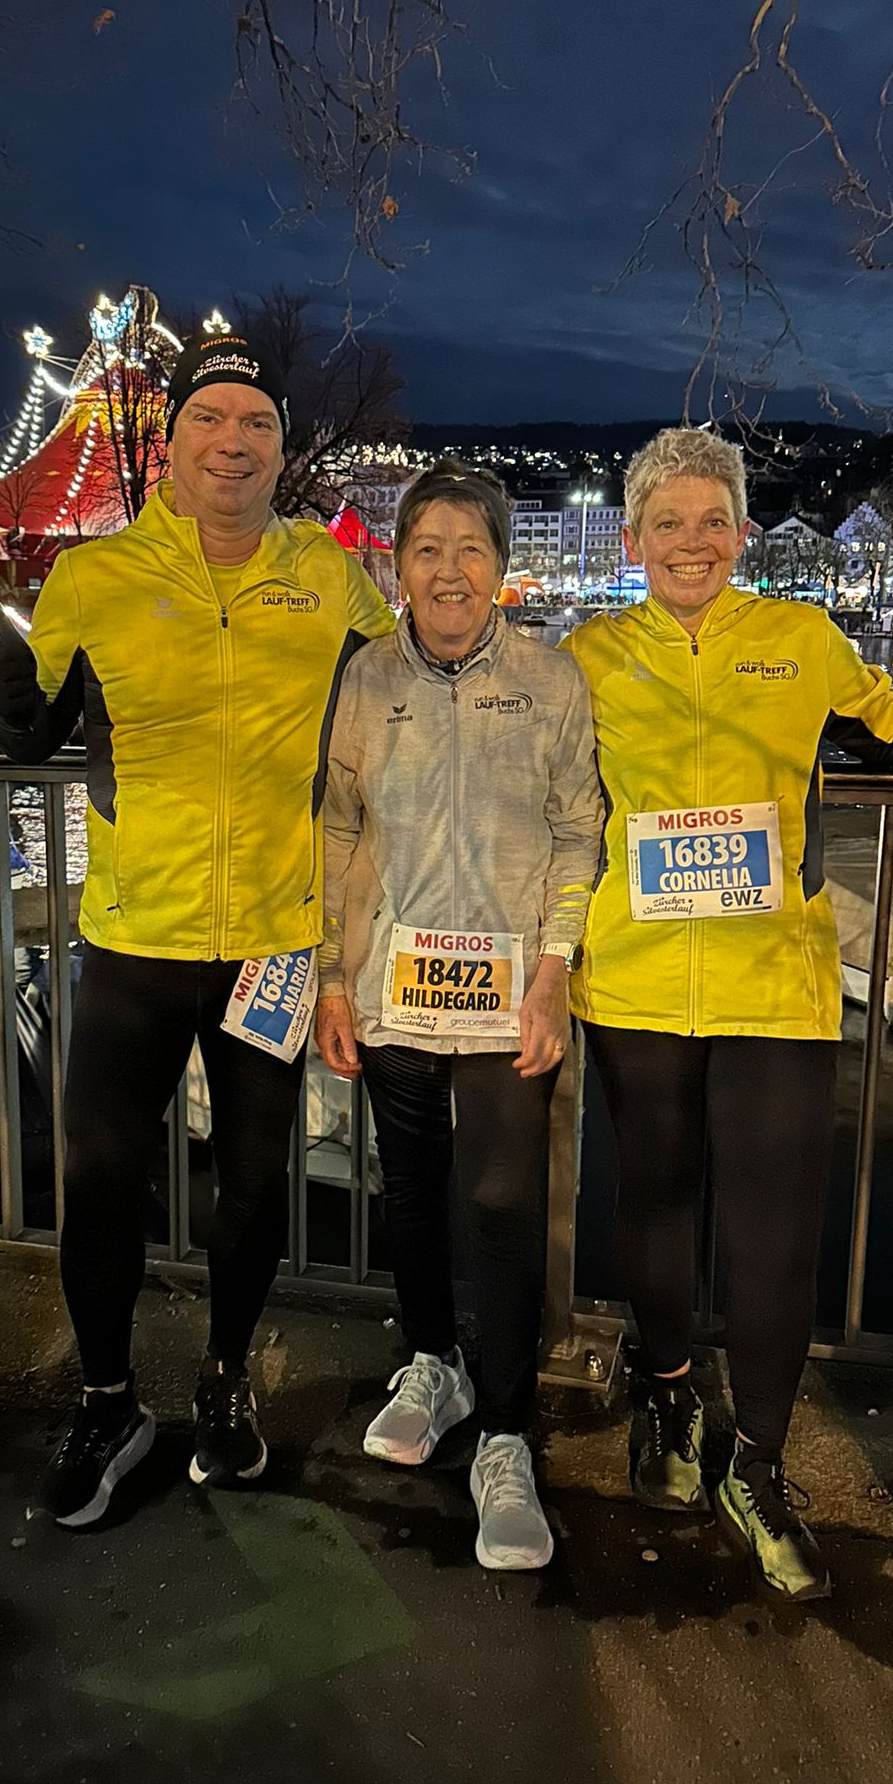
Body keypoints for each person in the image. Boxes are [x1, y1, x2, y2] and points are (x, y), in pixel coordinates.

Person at [565, 428, 893, 1602]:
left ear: (744, 533)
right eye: (669, 522)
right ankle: (669, 1392)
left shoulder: (803, 639)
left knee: (773, 1231)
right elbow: (538, 794)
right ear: (633, 539)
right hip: (636, 977)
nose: (693, 541)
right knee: (654, 1201)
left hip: (776, 981)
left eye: (713, 520)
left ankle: (755, 1462)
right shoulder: (588, 655)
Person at [0, 331, 394, 1525]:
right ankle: (109, 1400)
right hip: (134, 936)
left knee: (253, 1184)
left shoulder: (329, 574)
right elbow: (34, 727)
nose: (232, 439)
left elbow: (414, 693)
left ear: (280, 448)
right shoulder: (94, 575)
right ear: (168, 443)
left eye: (256, 421)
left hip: (273, 938)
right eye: (209, 417)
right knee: (101, 1177)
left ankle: (223, 1378)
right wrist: (3, 711)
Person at [315, 458, 604, 1571]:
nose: (449, 569)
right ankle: (434, 1361)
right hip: (392, 986)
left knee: (501, 1203)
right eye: (427, 548)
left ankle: (507, 1433)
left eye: (470, 549)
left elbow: (579, 830)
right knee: (411, 1190)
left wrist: (554, 969)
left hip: (506, 996)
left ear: (501, 567)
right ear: (398, 566)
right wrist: (333, 978)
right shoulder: (366, 678)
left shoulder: (551, 678)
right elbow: (339, 826)